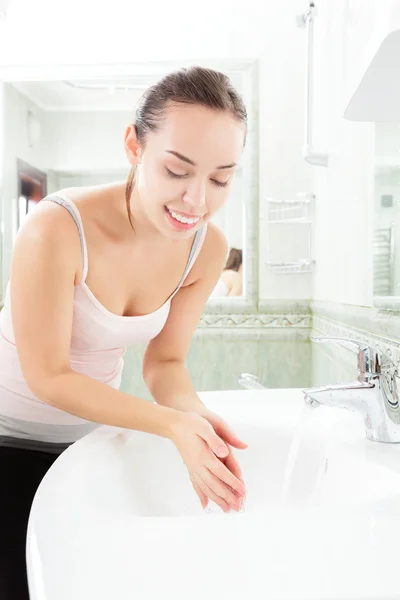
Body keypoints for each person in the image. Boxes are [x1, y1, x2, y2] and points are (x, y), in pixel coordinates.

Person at [0, 66, 249, 599]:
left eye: (221, 178)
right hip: (7, 436)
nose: (197, 201)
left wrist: (196, 418)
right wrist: (169, 425)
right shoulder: (55, 228)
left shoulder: (206, 248)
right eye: (178, 170)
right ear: (134, 145)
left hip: (86, 440)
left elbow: (165, 364)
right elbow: (47, 376)